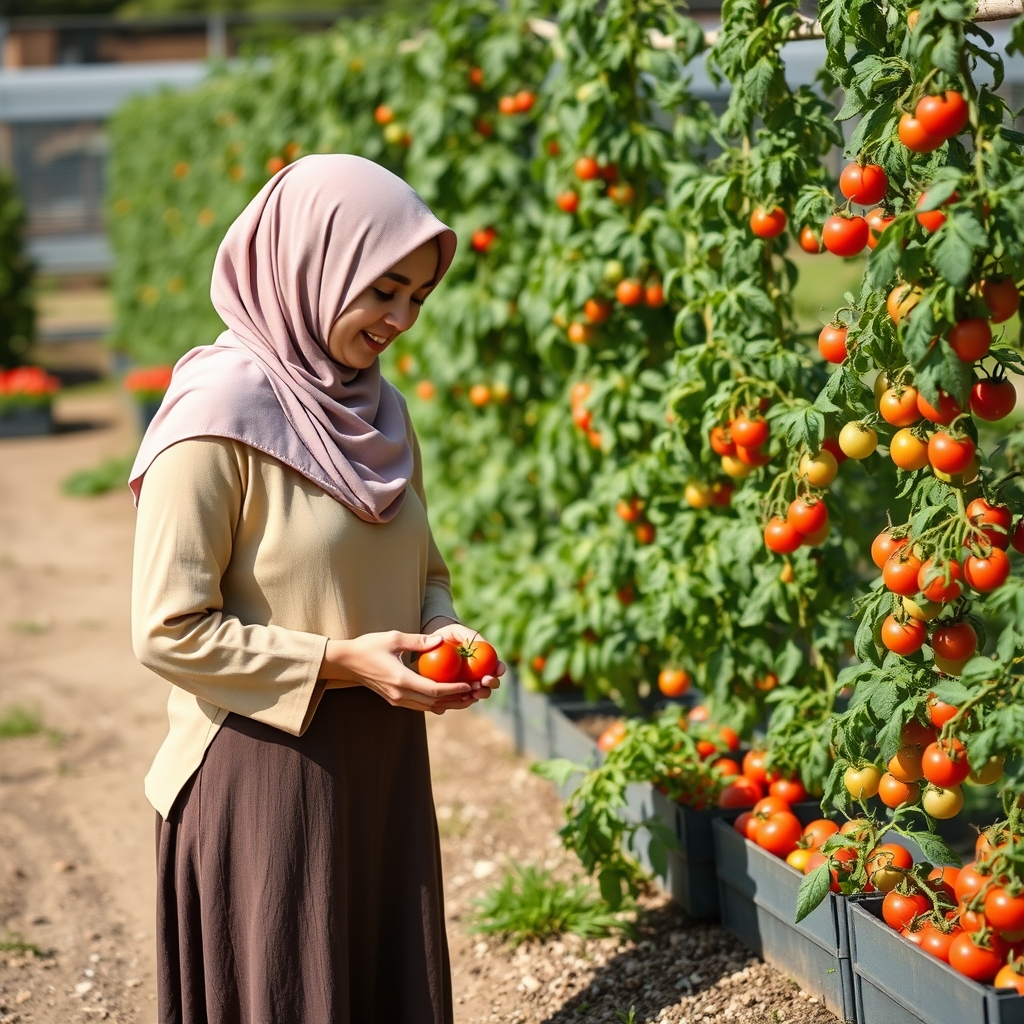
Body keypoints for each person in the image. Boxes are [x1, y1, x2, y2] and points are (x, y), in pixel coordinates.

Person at [129, 154, 502, 1024]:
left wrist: (447, 631)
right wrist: (340, 661)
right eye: (383, 290)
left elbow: (424, 569)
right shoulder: (213, 417)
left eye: (417, 297)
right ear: (311, 262)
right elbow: (166, 631)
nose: (401, 318)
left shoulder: (380, 413)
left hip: (381, 762)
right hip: (265, 772)